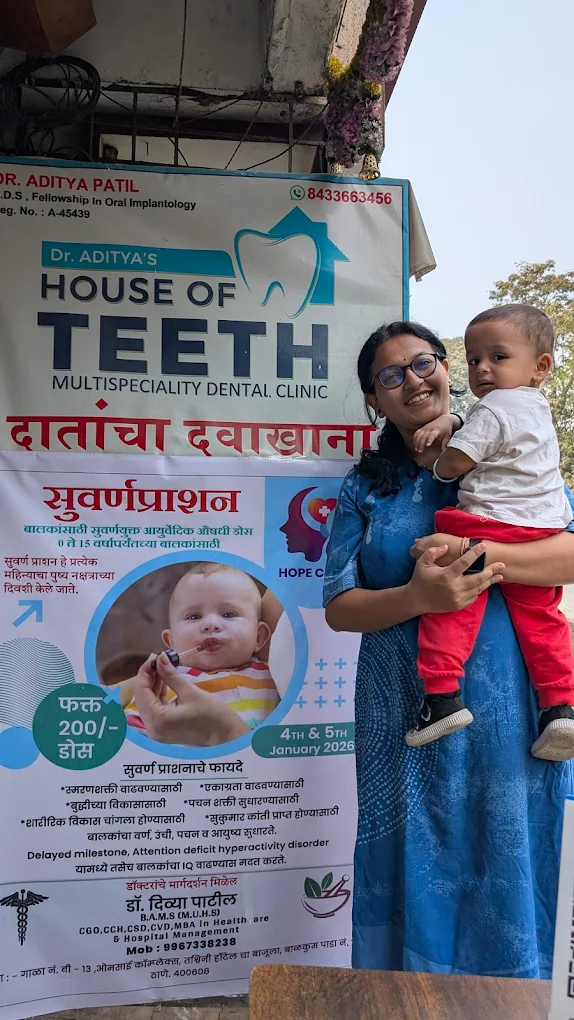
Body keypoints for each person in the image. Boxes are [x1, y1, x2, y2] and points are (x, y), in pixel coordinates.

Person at [323, 320, 574, 977]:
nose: (413, 378)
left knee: (509, 864)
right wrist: (419, 599)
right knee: (409, 865)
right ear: (374, 402)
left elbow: (570, 552)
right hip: (403, 721)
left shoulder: (510, 448)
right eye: (390, 374)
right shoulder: (364, 491)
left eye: (424, 362)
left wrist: (481, 558)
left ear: (446, 369)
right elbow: (340, 609)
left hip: (513, 722)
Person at [405, 305, 574, 758]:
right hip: (540, 533)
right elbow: (492, 427)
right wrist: (456, 420)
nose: (482, 368)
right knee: (545, 621)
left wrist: (438, 467)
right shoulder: (536, 408)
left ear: (541, 366)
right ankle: (561, 707)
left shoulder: (494, 405)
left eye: (497, 357)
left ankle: (441, 697)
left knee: (451, 603)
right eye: (475, 358)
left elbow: (459, 460)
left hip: (483, 523)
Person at [115, 562, 280, 743]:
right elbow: (132, 737)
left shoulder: (277, 674)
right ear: (172, 642)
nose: (210, 624)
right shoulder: (161, 686)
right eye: (194, 616)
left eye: (229, 614)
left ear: (259, 636)